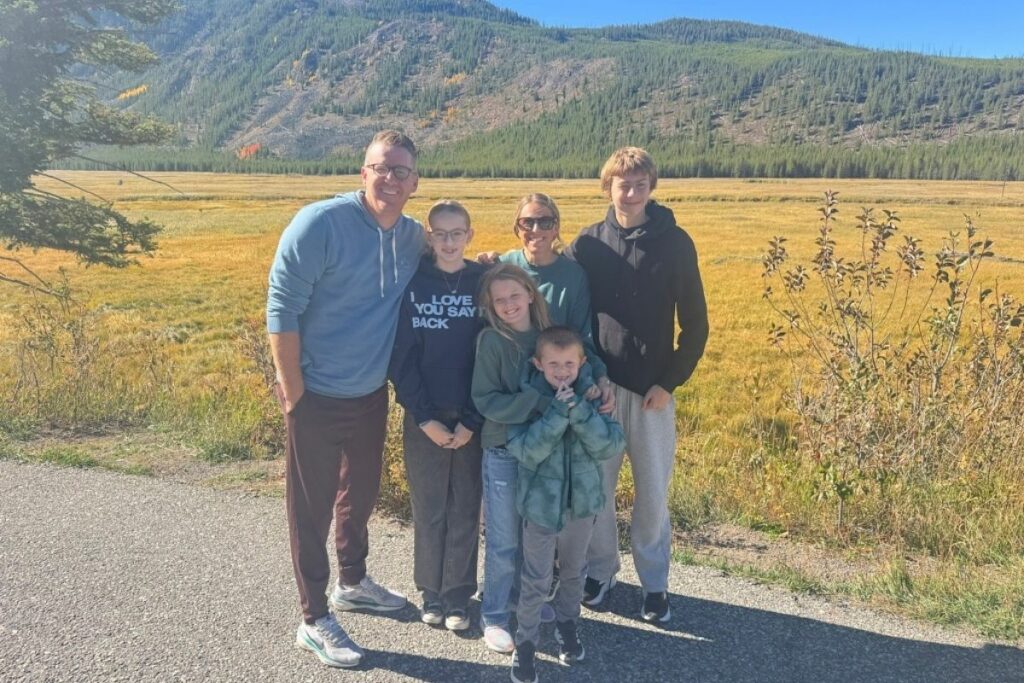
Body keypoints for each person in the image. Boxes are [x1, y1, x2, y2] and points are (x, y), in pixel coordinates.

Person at [266, 130, 425, 668]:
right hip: (315, 393)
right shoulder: (320, 224)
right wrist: (293, 391)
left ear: (415, 182)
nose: (391, 179)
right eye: (381, 168)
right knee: (308, 509)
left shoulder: (411, 236)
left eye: (401, 171)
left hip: (369, 392)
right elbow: (281, 308)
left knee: (360, 493)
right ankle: (313, 618)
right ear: (363, 172)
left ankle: (352, 583)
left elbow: (446, 257)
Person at [566, 146, 709, 624]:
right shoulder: (588, 244)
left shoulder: (675, 243)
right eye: (621, 184)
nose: (629, 193)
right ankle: (602, 571)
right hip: (599, 392)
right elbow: (548, 282)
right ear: (607, 186)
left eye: (639, 184)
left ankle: (655, 585)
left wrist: (669, 384)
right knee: (597, 491)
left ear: (651, 188)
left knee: (652, 493)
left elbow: (696, 325)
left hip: (652, 395)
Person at [387, 200, 486, 632]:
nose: (448, 241)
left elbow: (493, 357)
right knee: (429, 507)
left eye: (456, 232)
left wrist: (471, 421)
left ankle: (459, 596)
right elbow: (401, 359)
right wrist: (424, 417)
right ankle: (431, 591)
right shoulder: (414, 283)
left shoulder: (484, 281)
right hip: (424, 416)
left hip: (472, 417)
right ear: (429, 236)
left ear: (470, 235)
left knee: (465, 507)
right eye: (440, 233)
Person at [507, 327, 625, 683]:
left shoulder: (592, 398)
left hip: (582, 505)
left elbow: (609, 445)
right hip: (541, 508)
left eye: (569, 364)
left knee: (574, 571)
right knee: (536, 578)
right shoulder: (528, 398)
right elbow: (526, 450)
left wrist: (579, 412)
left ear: (582, 363)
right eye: (553, 364)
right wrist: (557, 414)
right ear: (537, 363)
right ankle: (525, 644)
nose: (562, 371)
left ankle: (567, 625)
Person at [470, 264, 552, 654]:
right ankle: (496, 614)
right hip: (502, 450)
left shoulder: (546, 339)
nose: (508, 305)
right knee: (503, 538)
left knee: (532, 536)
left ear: (530, 294)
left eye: (515, 296)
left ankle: (526, 601)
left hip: (541, 452)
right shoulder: (492, 341)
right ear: (490, 305)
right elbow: (486, 401)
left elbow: (577, 361)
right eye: (499, 300)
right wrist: (535, 400)